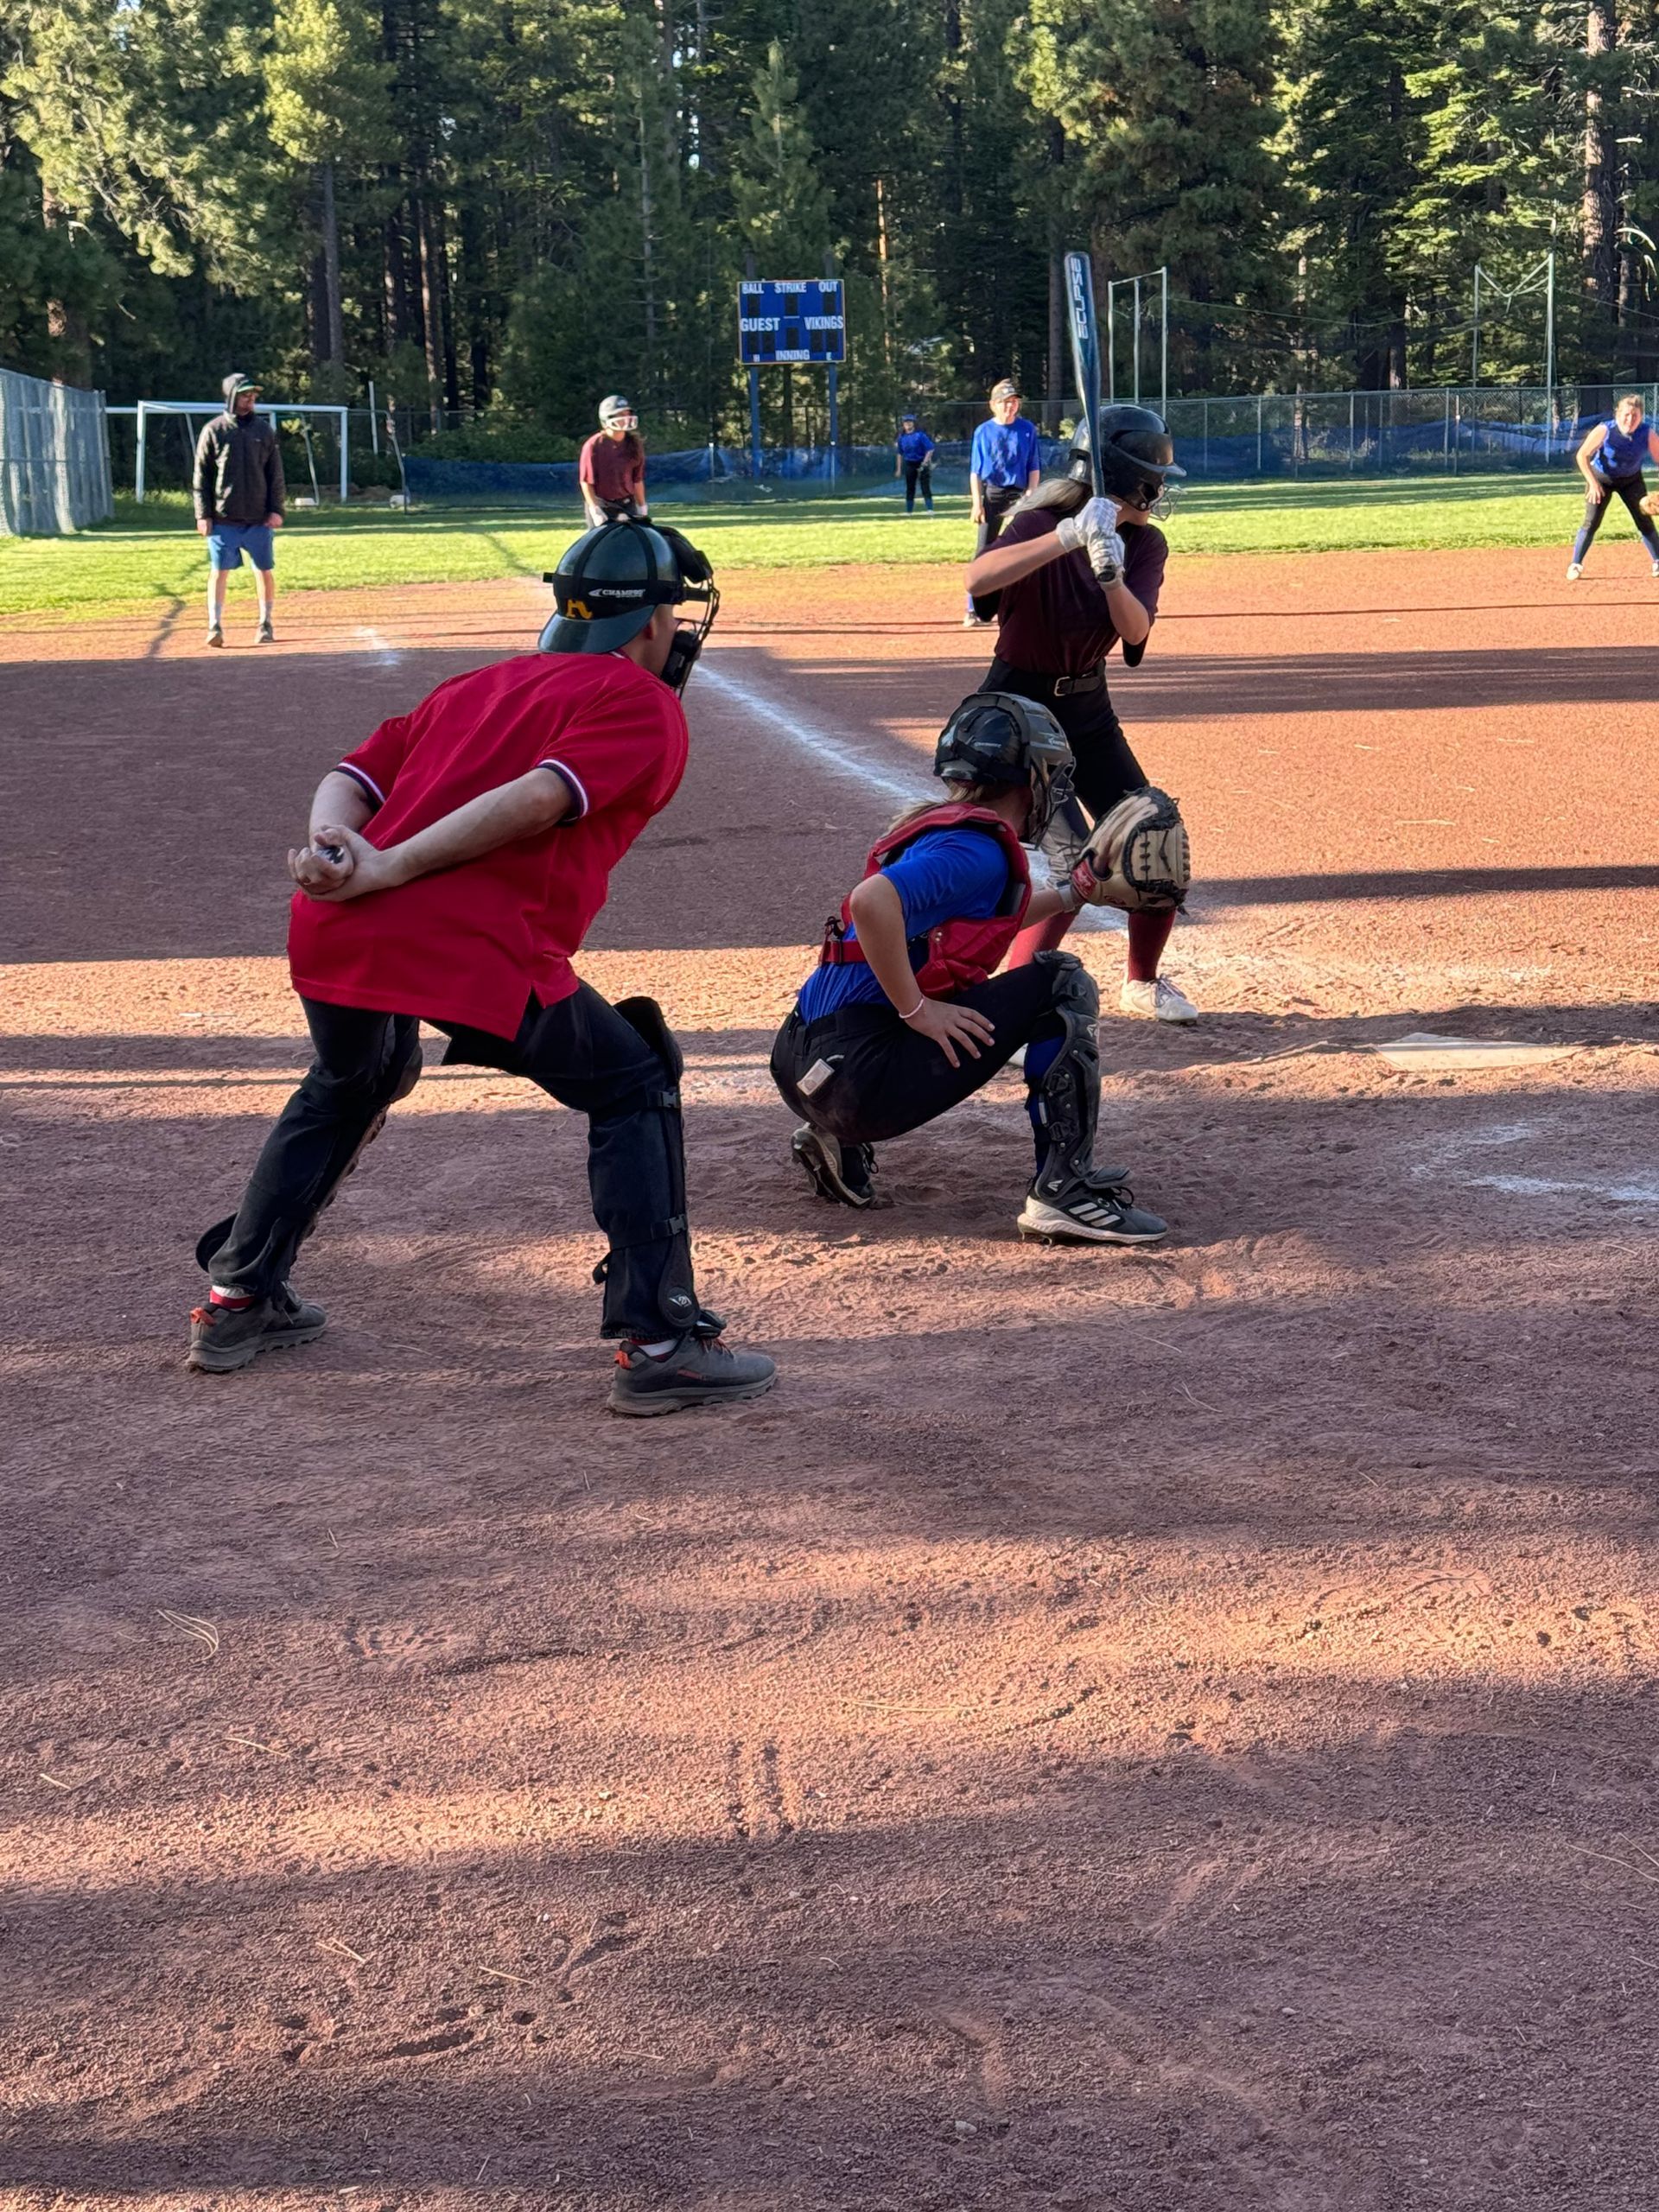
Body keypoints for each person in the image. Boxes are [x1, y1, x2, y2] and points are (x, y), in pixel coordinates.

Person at [186, 518, 776, 1418]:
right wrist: (388, 865)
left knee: (358, 1075)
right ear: (653, 622)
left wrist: (335, 849)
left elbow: (353, 777)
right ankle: (663, 1341)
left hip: (336, 929)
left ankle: (239, 1296)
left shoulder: (479, 684)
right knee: (633, 1079)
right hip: (469, 941)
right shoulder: (644, 706)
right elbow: (543, 796)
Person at [771, 692, 1167, 1246]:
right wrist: (918, 1010)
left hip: (801, 1061)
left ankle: (836, 1138)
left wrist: (1073, 892)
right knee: (1061, 982)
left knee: (914, 989)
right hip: (856, 1079)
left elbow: (974, 922)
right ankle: (1065, 1192)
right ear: (1030, 778)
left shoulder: (942, 829)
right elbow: (871, 902)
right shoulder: (975, 850)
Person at [963, 404, 1197, 1026]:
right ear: (1129, 477)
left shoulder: (1144, 543)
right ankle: (1013, 1001)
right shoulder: (1042, 519)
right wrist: (1064, 538)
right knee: (1078, 861)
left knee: (1154, 832)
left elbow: (1135, 632)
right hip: (1017, 709)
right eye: (1155, 479)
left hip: (1086, 705)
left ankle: (1142, 983)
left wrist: (1110, 573)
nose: (1162, 491)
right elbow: (978, 577)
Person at [194, 372, 284, 648]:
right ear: (232, 397)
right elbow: (201, 477)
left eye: (253, 396)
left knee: (264, 570)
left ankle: (265, 622)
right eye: (246, 395)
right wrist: (203, 514)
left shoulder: (264, 431)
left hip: (258, 519)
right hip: (223, 519)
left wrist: (276, 509)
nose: (251, 400)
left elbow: (275, 474)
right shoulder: (214, 430)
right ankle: (214, 625)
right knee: (219, 571)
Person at [965, 378, 1041, 626]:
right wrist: (977, 503)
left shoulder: (1027, 429)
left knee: (1024, 551)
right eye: (1005, 402)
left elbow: (1033, 465)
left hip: (1019, 495)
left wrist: (1031, 494)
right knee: (984, 550)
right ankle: (973, 608)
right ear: (993, 405)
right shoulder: (983, 431)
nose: (1010, 407)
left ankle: (1020, 606)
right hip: (993, 495)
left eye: (1014, 402)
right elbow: (976, 471)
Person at [1567, 393, 1659, 579]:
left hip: (1631, 480)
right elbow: (1582, 455)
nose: (1630, 419)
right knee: (1591, 522)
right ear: (1618, 414)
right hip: (1602, 479)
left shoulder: (1647, 433)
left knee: (1644, 520)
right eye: (1626, 414)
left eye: (1635, 415)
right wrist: (1593, 484)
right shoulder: (1605, 430)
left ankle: (1658, 561)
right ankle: (1575, 564)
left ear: (1641, 416)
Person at [580, 396, 648, 528]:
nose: (626, 418)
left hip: (627, 503)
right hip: (603, 504)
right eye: (621, 414)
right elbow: (586, 482)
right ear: (607, 419)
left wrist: (642, 506)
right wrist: (595, 510)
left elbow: (637, 480)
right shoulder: (594, 445)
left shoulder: (634, 444)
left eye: (627, 414)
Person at [894, 412, 937, 512]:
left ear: (913, 423)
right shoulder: (902, 438)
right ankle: (909, 511)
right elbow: (899, 454)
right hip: (910, 464)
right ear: (903, 424)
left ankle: (930, 509)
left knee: (925, 486)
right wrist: (898, 469)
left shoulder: (920, 435)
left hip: (921, 463)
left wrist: (925, 463)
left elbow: (930, 449)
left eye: (910, 422)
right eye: (906, 422)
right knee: (910, 487)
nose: (908, 424)